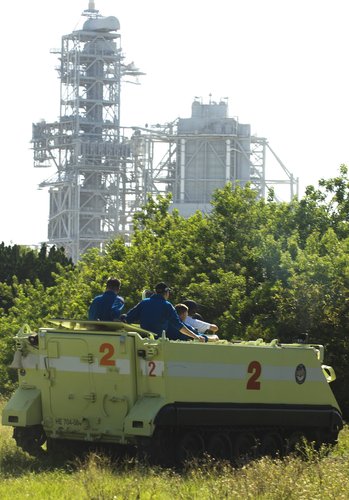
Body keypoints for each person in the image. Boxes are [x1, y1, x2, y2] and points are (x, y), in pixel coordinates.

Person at [124, 282, 205, 341]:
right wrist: (196, 337)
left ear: (155, 292)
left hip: (142, 341)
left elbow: (127, 319)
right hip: (158, 343)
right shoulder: (167, 305)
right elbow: (179, 326)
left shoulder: (144, 302)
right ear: (166, 293)